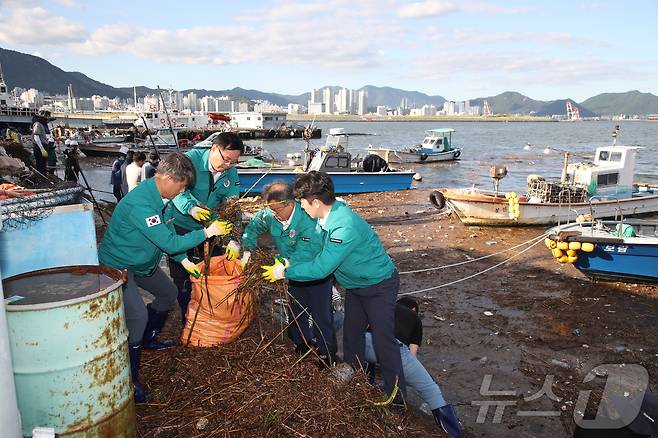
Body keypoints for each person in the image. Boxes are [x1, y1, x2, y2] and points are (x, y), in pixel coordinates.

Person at [98, 153, 234, 403]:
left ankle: (147, 339)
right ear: (168, 178)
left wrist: (183, 259)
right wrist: (207, 232)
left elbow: (168, 228)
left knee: (168, 294)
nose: (182, 191)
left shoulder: (161, 197)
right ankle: (130, 378)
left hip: (143, 263)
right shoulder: (141, 204)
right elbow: (169, 242)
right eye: (181, 186)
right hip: (119, 267)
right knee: (137, 316)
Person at [261, 171, 406, 400]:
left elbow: (322, 268)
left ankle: (396, 396)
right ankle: (357, 379)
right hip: (356, 285)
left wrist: (286, 272)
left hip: (378, 285)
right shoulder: (325, 216)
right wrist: (292, 261)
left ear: (316, 202)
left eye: (303, 204)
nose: (302, 209)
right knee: (351, 336)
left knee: (383, 341)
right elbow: (314, 249)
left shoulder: (343, 227)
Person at [241, 181, 336, 366]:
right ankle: (301, 344)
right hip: (291, 274)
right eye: (271, 211)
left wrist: (286, 263)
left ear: (289, 203)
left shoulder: (308, 217)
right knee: (296, 312)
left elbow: (309, 249)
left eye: (277, 211)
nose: (274, 215)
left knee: (321, 316)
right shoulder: (271, 212)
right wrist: (247, 250)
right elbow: (252, 228)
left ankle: (327, 355)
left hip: (316, 273)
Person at [169, 132, 244, 324]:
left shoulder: (230, 172)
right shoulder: (189, 161)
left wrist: (234, 239)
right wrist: (191, 208)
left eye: (232, 162)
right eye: (226, 159)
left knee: (212, 268)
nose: (227, 165)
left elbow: (232, 207)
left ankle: (208, 313)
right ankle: (187, 314)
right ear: (213, 148)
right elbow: (175, 190)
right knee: (183, 274)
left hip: (213, 228)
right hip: (181, 225)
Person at [362, 297, 463, 438]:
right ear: (414, 309)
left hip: (364, 342)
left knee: (367, 364)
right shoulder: (415, 318)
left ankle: (366, 389)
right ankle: (454, 433)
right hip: (394, 349)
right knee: (431, 390)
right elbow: (411, 355)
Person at [31, 110, 51, 174]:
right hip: (39, 146)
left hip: (43, 145)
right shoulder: (38, 124)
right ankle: (40, 175)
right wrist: (42, 149)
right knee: (40, 162)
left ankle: (43, 174)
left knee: (43, 163)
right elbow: (36, 137)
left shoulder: (42, 125)